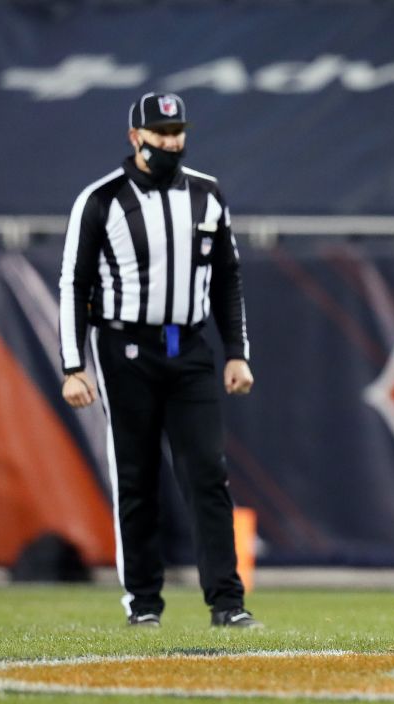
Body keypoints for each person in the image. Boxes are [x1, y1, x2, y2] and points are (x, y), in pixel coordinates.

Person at [58, 92, 259, 629]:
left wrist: (236, 352)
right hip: (124, 348)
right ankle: (143, 602)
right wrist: (73, 364)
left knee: (208, 474)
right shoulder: (101, 200)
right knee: (137, 477)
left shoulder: (207, 194)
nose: (170, 142)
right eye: (160, 133)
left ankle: (227, 602)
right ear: (136, 137)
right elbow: (74, 284)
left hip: (189, 347)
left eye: (177, 133)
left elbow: (227, 278)